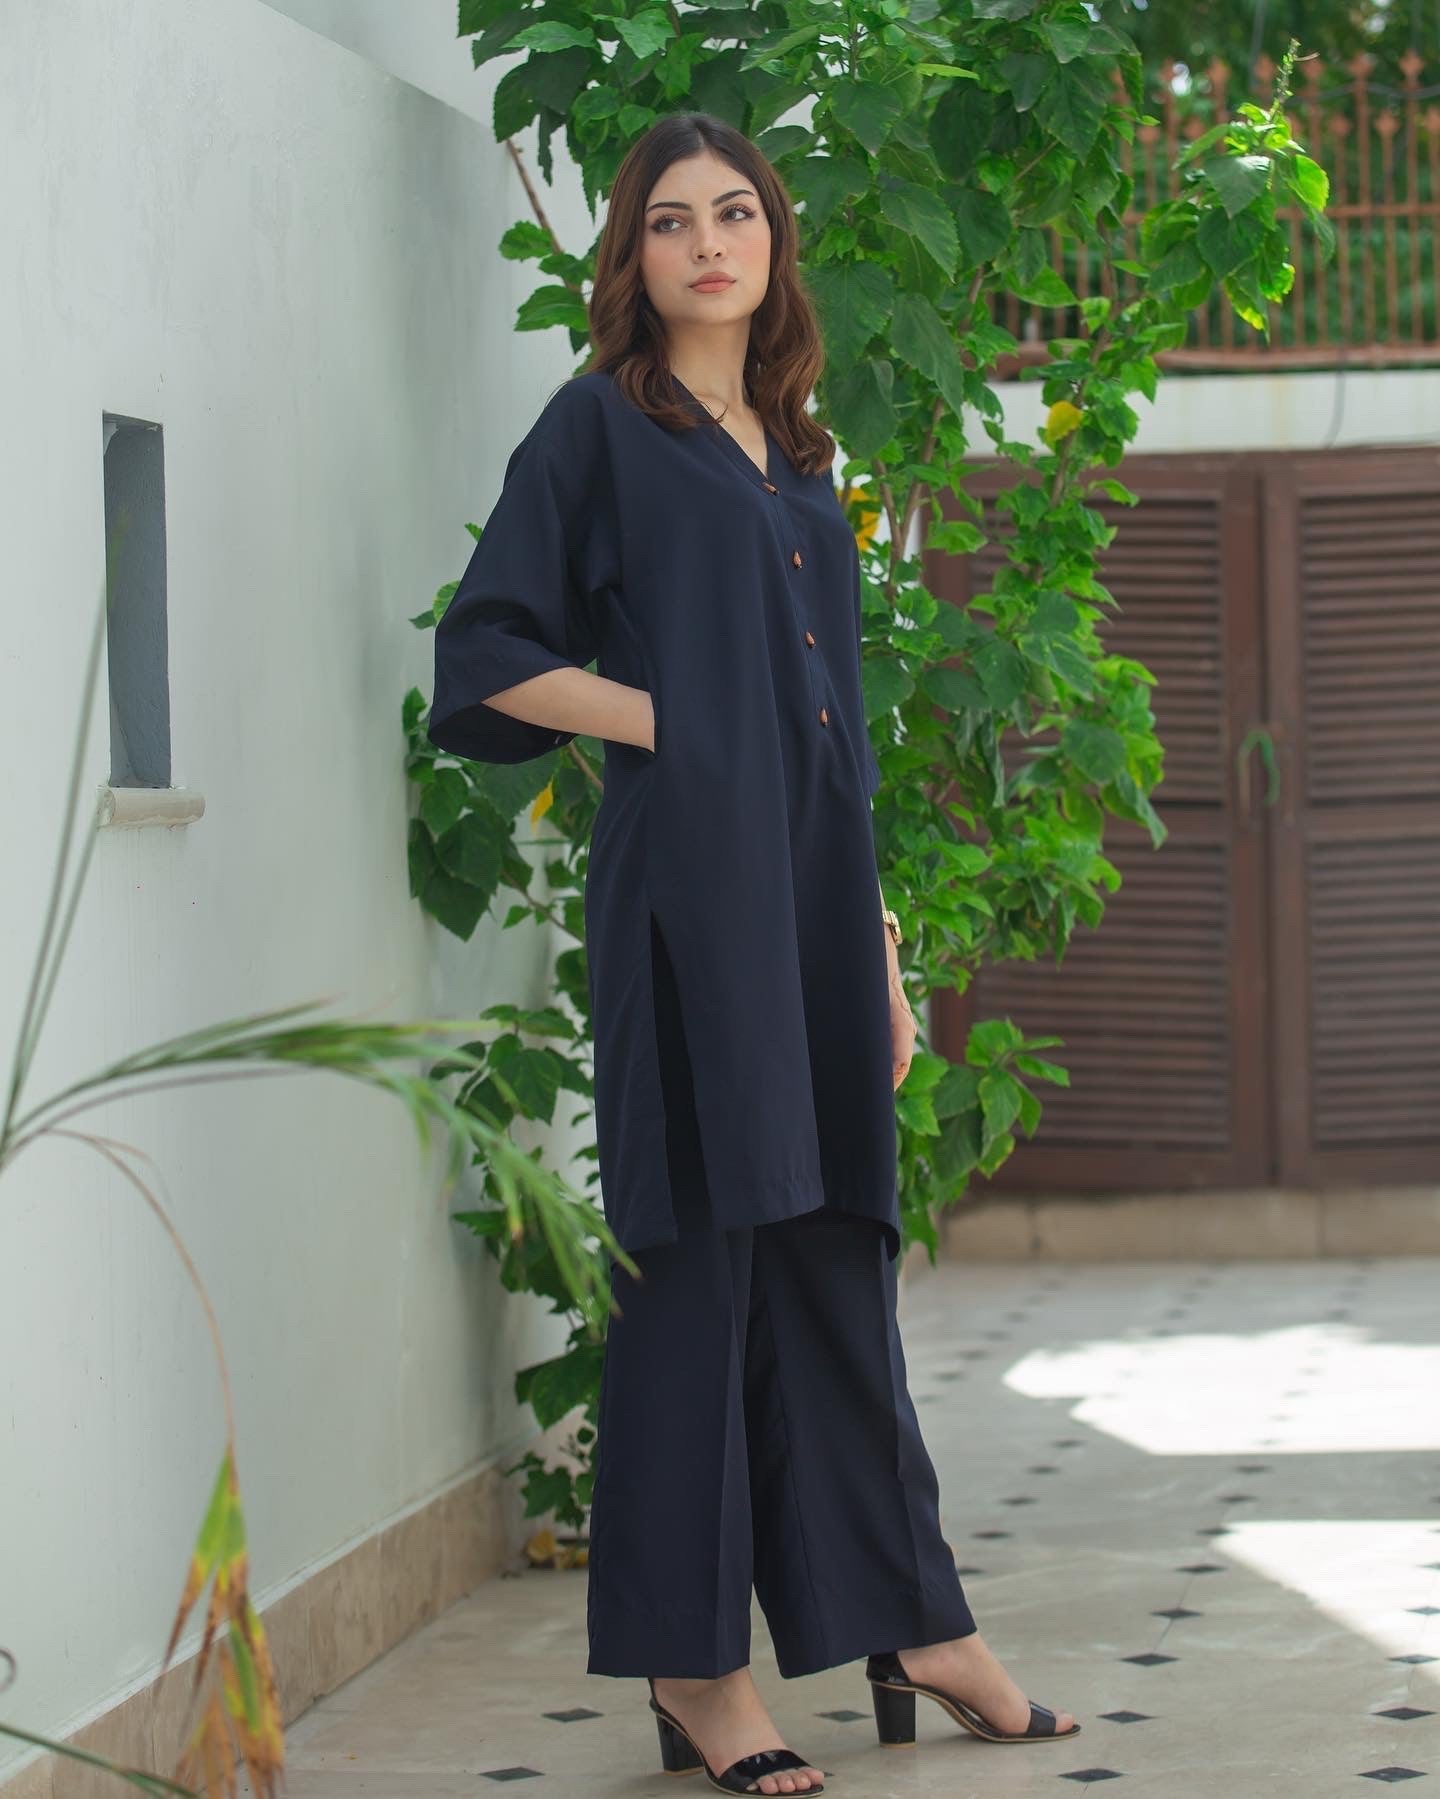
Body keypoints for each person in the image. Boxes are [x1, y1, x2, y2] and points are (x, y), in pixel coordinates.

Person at [428, 111, 1079, 1797]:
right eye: (670, 221)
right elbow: (483, 659)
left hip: (814, 906)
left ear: (774, 242)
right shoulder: (598, 428)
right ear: (632, 257)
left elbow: (834, 729)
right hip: (686, 908)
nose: (708, 243)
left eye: (735, 214)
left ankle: (912, 1620)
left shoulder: (798, 450)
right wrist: (672, 719)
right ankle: (697, 1672)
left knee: (836, 1255)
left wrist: (879, 945)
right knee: (702, 1265)